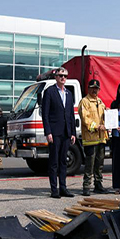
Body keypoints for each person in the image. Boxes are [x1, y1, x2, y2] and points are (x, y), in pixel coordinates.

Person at [41, 67, 76, 199]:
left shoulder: (69, 94)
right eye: (61, 75)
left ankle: (63, 188)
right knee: (54, 161)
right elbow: (45, 114)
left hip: (66, 132)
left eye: (65, 76)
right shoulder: (49, 92)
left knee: (63, 161)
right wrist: (48, 132)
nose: (63, 78)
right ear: (56, 77)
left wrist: (72, 132)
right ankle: (54, 189)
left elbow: (71, 115)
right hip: (54, 132)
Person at [78, 79, 109, 196]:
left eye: (96, 88)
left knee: (99, 164)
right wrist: (97, 127)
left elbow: (104, 116)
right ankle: (86, 186)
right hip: (90, 139)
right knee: (89, 164)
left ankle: (98, 185)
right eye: (92, 88)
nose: (94, 90)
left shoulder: (100, 102)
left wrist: (109, 115)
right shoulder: (84, 102)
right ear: (88, 89)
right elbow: (85, 120)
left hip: (101, 138)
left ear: (99, 90)